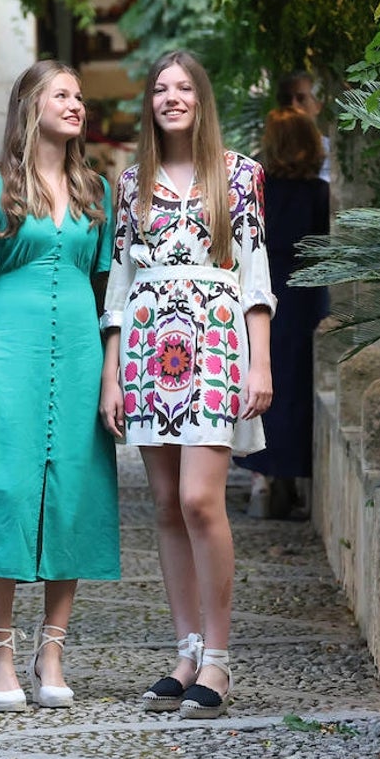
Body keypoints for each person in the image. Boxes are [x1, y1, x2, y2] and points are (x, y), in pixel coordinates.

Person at [98, 50, 275, 720]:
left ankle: (221, 661)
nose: (171, 97)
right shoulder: (132, 182)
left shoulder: (241, 175)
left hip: (215, 345)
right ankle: (186, 649)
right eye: (160, 89)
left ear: (201, 98)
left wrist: (261, 362)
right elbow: (117, 282)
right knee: (167, 503)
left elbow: (255, 273)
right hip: (147, 349)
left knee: (203, 499)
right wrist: (112, 373)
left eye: (183, 88)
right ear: (149, 102)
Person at [0, 61, 121, 713]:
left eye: (80, 96)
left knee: (71, 490)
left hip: (77, 354)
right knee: (7, 489)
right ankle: (0, 654)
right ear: (30, 105)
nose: (76, 104)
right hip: (9, 352)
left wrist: (112, 375)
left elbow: (111, 293)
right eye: (62, 95)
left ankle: (52, 650)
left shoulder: (94, 192)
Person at [235, 107, 330, 519]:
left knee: (258, 375)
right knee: (295, 383)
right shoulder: (319, 195)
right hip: (305, 294)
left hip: (261, 291)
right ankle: (291, 478)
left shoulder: (260, 191)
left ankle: (261, 478)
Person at [276, 71, 329, 182]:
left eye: (301, 98)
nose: (293, 106)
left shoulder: (333, 154)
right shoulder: (270, 154)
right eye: (287, 99)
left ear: (318, 105)